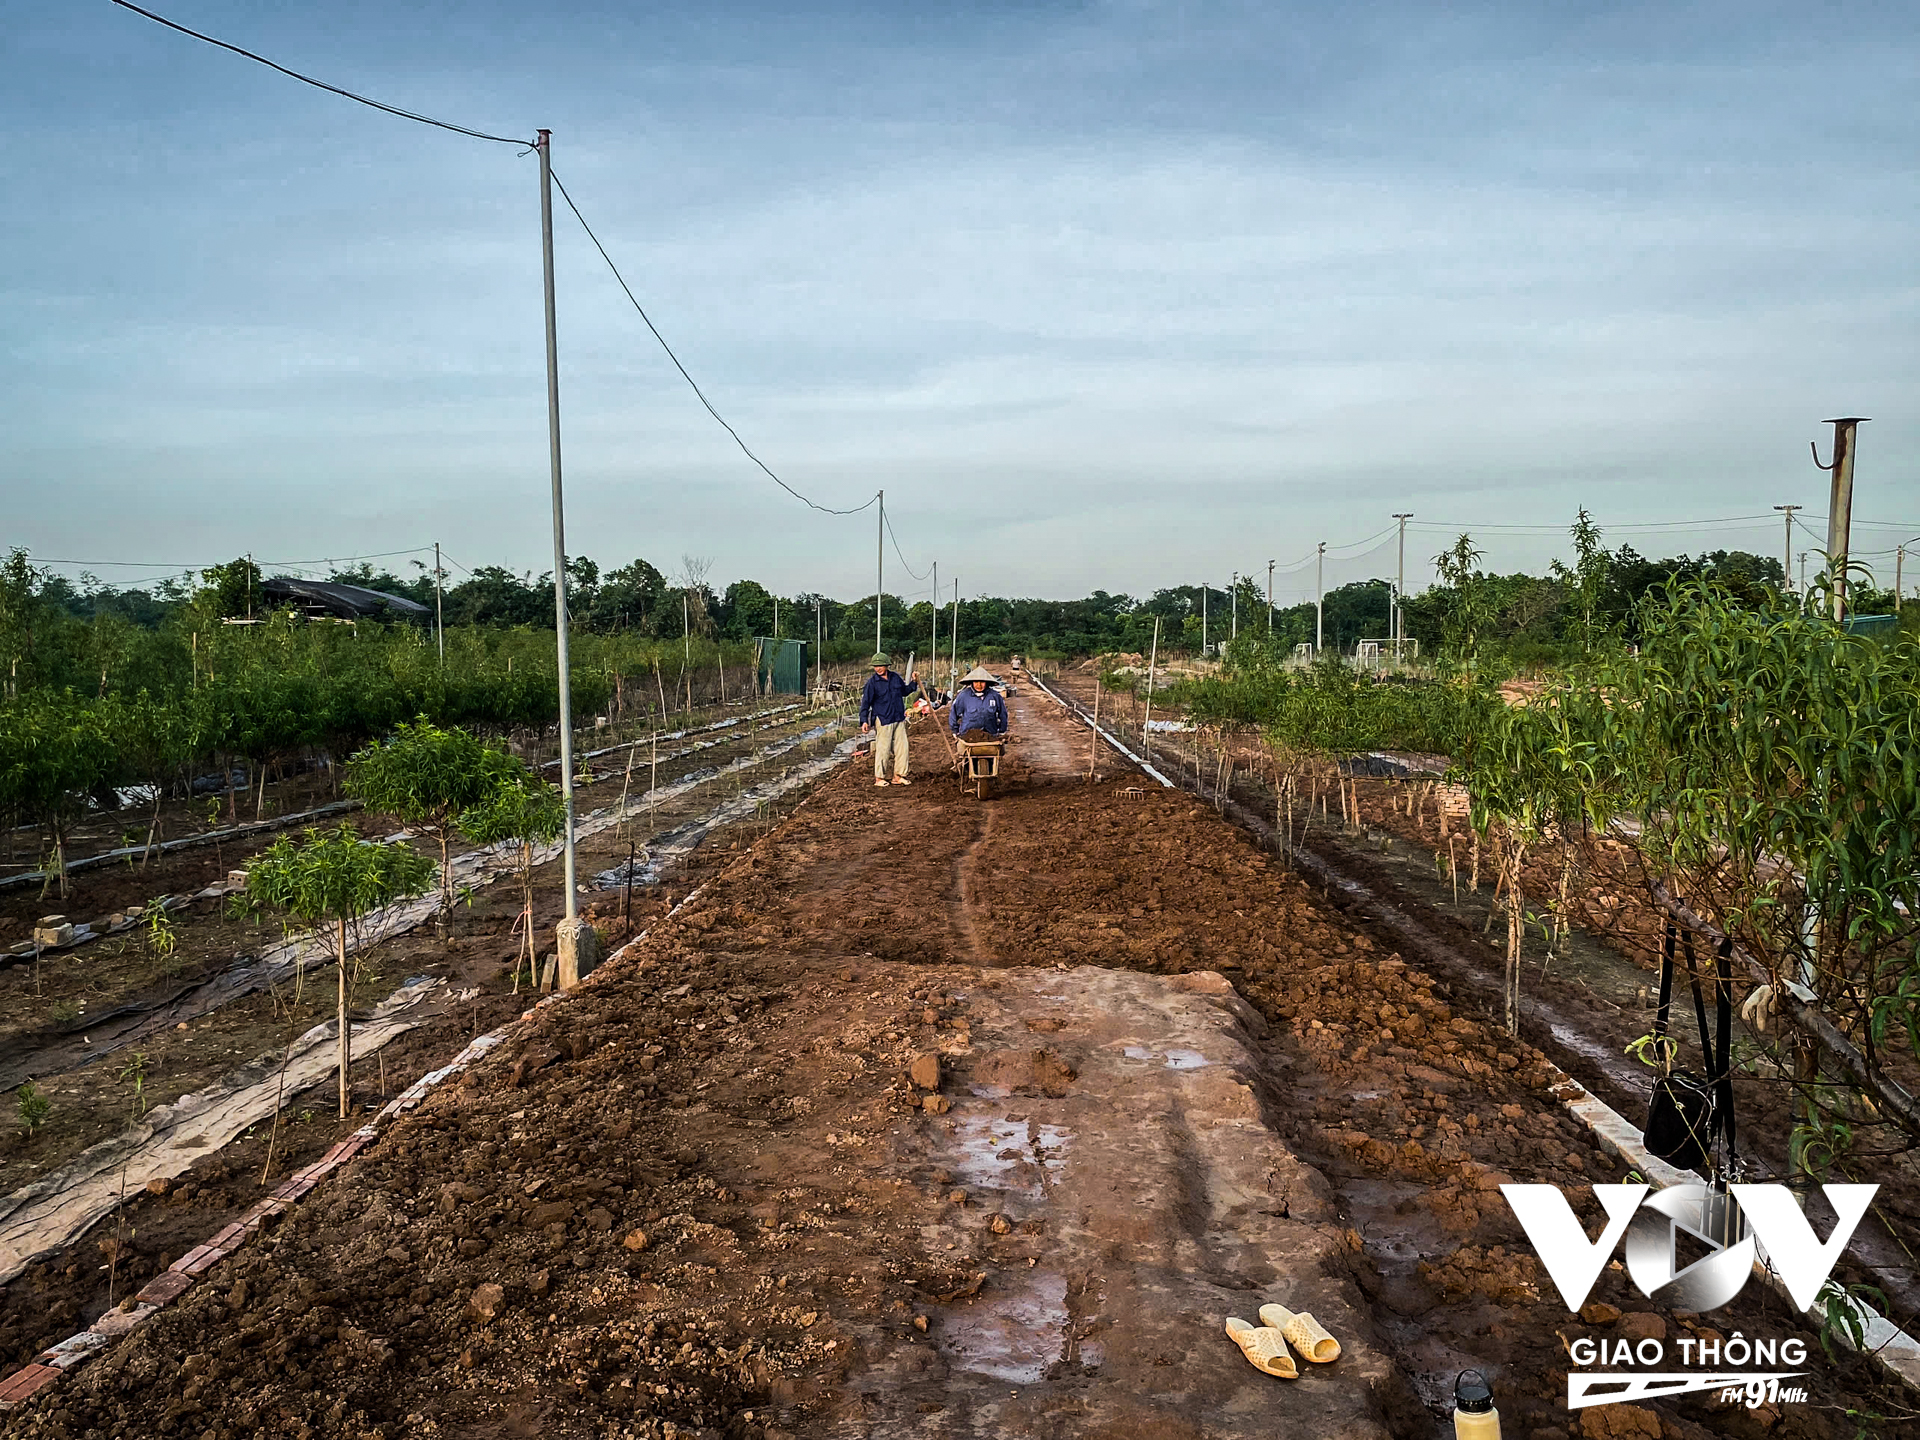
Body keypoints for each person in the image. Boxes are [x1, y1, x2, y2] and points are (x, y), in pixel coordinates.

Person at [859, 652, 921, 786]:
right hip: (883, 718)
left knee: (902, 747)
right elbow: (866, 703)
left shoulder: (895, 678)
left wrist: (913, 682)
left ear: (887, 665)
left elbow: (904, 691)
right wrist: (864, 720)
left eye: (880, 665)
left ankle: (899, 776)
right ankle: (879, 778)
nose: (878, 669)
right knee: (883, 748)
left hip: (898, 717)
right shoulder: (872, 683)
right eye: (876, 666)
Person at [949, 666, 1009, 742]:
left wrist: (1002, 730)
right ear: (972, 682)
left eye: (982, 682)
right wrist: (955, 731)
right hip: (968, 736)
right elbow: (954, 713)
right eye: (976, 682)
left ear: (987, 683)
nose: (979, 685)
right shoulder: (963, 696)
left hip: (990, 736)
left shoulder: (995, 696)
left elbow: (1003, 714)